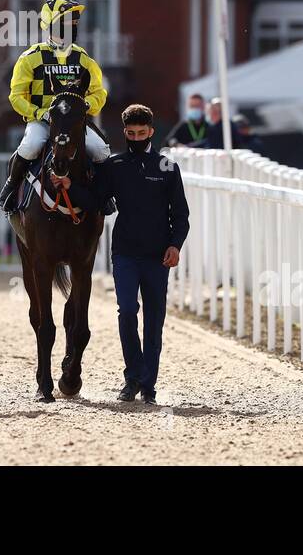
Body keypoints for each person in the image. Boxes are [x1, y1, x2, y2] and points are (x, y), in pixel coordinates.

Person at [83, 103, 189, 404]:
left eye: (142, 133)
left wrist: (175, 245)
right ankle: (132, 378)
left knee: (154, 321)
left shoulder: (168, 167)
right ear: (125, 133)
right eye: (131, 133)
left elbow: (181, 215)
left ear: (151, 132)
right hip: (126, 253)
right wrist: (68, 187)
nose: (136, 138)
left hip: (158, 256)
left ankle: (149, 385)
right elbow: (94, 200)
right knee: (127, 311)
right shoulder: (114, 166)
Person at [0, 0, 112, 212]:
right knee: (30, 146)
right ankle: (11, 187)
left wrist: (85, 105)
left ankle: (104, 196)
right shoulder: (30, 57)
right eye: (67, 21)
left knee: (101, 150)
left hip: (75, 124)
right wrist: (39, 113)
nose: (72, 26)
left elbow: (99, 93)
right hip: (43, 122)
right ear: (51, 24)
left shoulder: (84, 59)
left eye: (75, 23)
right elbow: (16, 96)